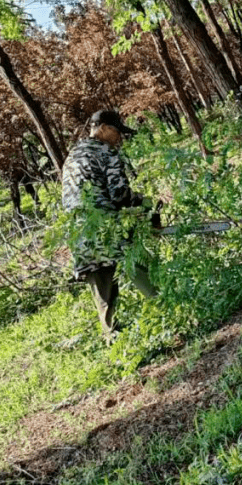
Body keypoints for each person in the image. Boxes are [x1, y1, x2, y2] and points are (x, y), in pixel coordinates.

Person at [61, 109, 159, 338]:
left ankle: (111, 335)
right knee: (135, 262)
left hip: (79, 230)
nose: (119, 138)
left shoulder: (73, 154)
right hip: (106, 225)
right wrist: (144, 205)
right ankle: (168, 303)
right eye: (116, 132)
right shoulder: (107, 153)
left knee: (101, 283)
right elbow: (119, 195)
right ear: (102, 128)